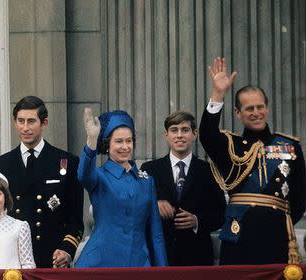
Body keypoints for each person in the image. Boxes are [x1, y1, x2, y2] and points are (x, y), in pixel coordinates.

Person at [199, 57, 306, 265]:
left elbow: (299, 199)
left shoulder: (290, 146)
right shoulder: (230, 146)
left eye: (260, 107)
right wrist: (218, 94)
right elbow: (207, 134)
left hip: (276, 238)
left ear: (267, 108)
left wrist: (277, 224)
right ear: (238, 113)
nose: (256, 113)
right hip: (239, 239)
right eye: (249, 109)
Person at [0, 96, 84, 268]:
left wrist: (67, 250)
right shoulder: (1, 164)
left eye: (31, 121)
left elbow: (75, 219)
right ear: (14, 122)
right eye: (21, 121)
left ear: (44, 122)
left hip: (52, 258)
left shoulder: (67, 162)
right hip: (11, 259)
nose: (25, 128)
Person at [75, 109, 167, 268]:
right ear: (107, 144)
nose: (125, 146)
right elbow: (83, 175)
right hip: (101, 263)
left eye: (129, 141)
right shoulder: (99, 176)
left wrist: (162, 271)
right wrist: (91, 141)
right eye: (118, 141)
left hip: (138, 263)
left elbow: (155, 233)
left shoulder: (146, 181)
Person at [141, 111, 225, 266]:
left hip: (198, 257)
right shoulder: (149, 169)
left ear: (194, 134)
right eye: (174, 130)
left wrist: (197, 221)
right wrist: (153, 205)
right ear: (166, 135)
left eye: (185, 130)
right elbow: (136, 208)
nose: (179, 135)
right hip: (160, 255)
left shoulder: (209, 171)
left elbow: (221, 213)